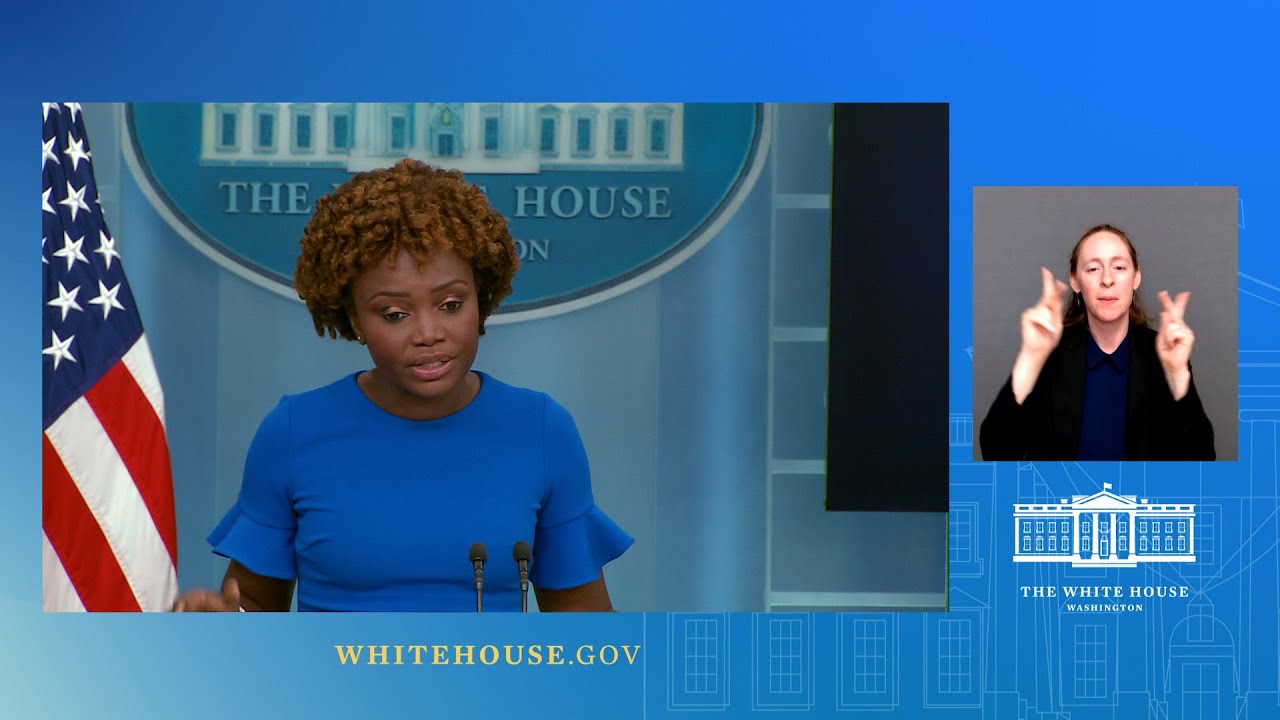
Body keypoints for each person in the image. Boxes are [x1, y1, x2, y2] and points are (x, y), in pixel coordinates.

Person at [174, 159, 633, 611]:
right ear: (354, 319)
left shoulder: (542, 429)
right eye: (395, 314)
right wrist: (218, 624)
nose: (428, 333)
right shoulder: (292, 432)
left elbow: (586, 634)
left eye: (452, 304)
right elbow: (251, 604)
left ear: (483, 298)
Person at [979, 224, 1215, 461]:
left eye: (1119, 267)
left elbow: (1202, 461)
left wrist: (1177, 374)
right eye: (1093, 268)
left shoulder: (1163, 352)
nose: (1107, 280)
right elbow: (996, 452)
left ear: (1136, 277)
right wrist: (1030, 357)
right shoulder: (1048, 353)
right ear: (1075, 281)